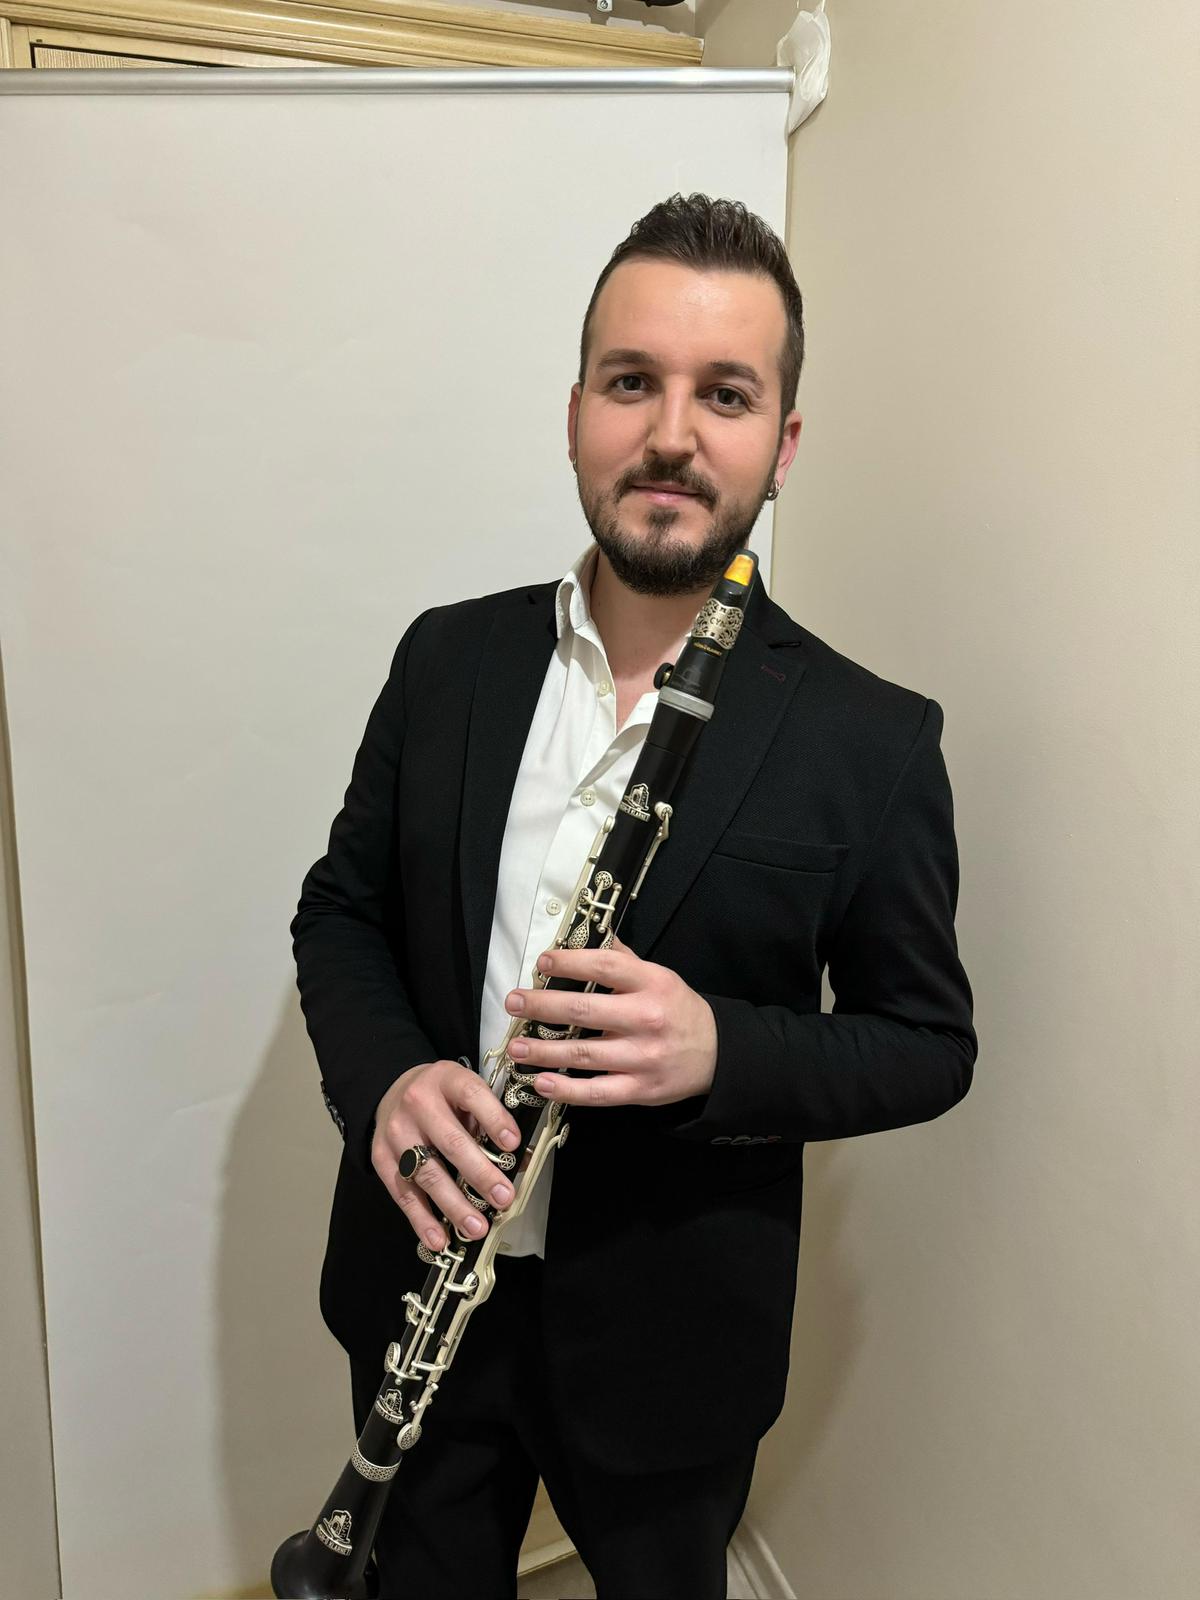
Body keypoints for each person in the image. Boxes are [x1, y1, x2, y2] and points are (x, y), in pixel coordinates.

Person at [292, 193, 976, 1600]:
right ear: (575, 414)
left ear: (783, 442)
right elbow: (341, 912)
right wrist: (390, 1082)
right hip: (422, 1277)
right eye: (630, 383)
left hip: (675, 1344)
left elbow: (926, 1045)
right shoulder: (446, 663)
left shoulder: (874, 740)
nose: (672, 434)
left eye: (725, 394)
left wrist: (722, 1050)